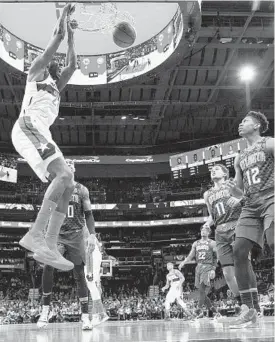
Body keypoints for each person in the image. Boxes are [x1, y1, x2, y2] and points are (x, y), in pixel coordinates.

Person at [11, 4, 78, 270]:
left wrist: (73, 35)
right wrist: (64, 18)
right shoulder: (36, 72)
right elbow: (56, 38)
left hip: (38, 131)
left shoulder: (55, 87)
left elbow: (72, 65)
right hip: (28, 126)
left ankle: (49, 243)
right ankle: (35, 234)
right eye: (54, 59)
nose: (58, 61)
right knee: (63, 175)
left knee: (69, 182)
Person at [226, 111, 274, 328]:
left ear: (256, 125)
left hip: (271, 197)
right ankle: (249, 310)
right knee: (238, 250)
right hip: (250, 205)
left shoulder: (269, 143)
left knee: (273, 242)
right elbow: (240, 191)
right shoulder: (239, 157)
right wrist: (233, 191)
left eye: (244, 121)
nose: (240, 124)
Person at [37, 160, 96, 330]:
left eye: (70, 167)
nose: (67, 169)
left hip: (76, 235)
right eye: (64, 167)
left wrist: (92, 235)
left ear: (74, 170)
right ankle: (45, 310)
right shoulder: (55, 186)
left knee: (79, 274)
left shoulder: (82, 190)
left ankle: (85, 316)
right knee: (48, 265)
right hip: (57, 234)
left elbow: (89, 214)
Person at [203, 164, 242, 314]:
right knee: (227, 274)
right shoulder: (207, 194)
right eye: (211, 169)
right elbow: (212, 216)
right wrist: (207, 224)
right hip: (220, 231)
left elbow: (245, 198)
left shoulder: (232, 184)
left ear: (225, 174)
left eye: (217, 169)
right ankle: (241, 302)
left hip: (236, 226)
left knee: (242, 267)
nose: (213, 170)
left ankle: (251, 302)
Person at [179, 226, 217, 318]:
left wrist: (213, 269)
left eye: (205, 230)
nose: (203, 231)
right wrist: (183, 263)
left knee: (202, 291)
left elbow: (216, 257)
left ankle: (197, 311)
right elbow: (190, 256)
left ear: (209, 232)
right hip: (198, 267)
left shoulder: (212, 243)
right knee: (201, 291)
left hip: (207, 266)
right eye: (202, 230)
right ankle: (214, 311)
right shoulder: (196, 243)